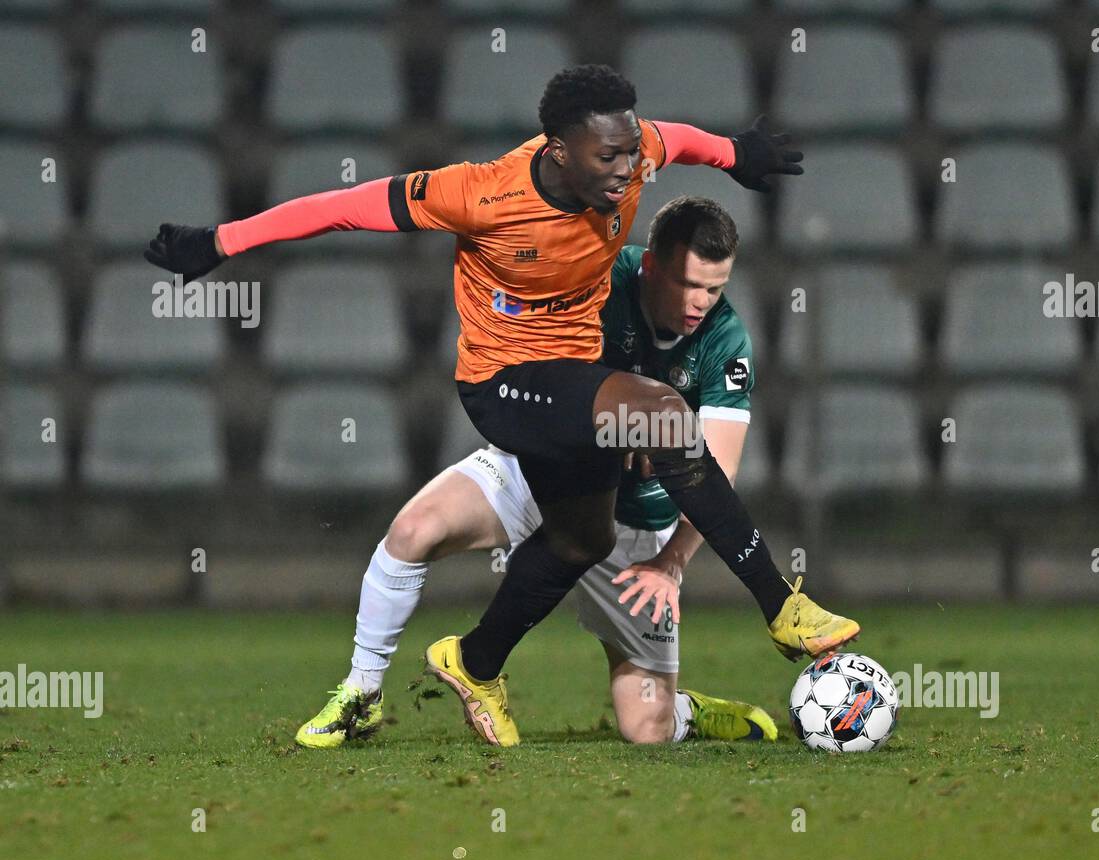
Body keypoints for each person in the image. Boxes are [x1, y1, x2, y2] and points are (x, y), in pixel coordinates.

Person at [146, 64, 859, 750]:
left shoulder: (636, 154)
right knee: (664, 414)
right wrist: (220, 240)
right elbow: (341, 208)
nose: (626, 167)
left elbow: (682, 139)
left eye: (631, 149)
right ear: (558, 150)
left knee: (584, 541)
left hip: (574, 381)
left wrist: (736, 154)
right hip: (504, 383)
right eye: (607, 154)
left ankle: (475, 663)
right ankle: (781, 607)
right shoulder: (480, 194)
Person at [298, 197, 781, 747]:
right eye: (688, 284)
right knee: (413, 530)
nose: (701, 303)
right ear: (650, 264)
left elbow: (719, 472)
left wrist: (670, 563)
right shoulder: (598, 278)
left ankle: (684, 713)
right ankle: (361, 694)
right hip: (542, 473)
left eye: (714, 289)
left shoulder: (726, 340)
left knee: (646, 728)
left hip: (637, 525)